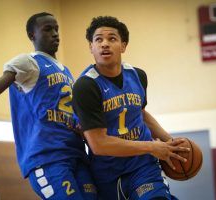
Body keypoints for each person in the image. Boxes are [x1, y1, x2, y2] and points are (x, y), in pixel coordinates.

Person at [0, 12, 97, 200]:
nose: (55, 33)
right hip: (48, 158)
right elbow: (7, 78)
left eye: (56, 29)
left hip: (76, 154)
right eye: (48, 29)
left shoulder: (66, 71)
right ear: (32, 36)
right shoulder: (29, 61)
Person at [72, 16, 189, 200]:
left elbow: (141, 114)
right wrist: (151, 146)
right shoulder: (85, 86)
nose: (104, 44)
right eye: (98, 39)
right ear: (91, 47)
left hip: (143, 168)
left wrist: (171, 142)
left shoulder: (138, 76)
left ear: (123, 46)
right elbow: (99, 144)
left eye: (112, 39)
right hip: (108, 173)